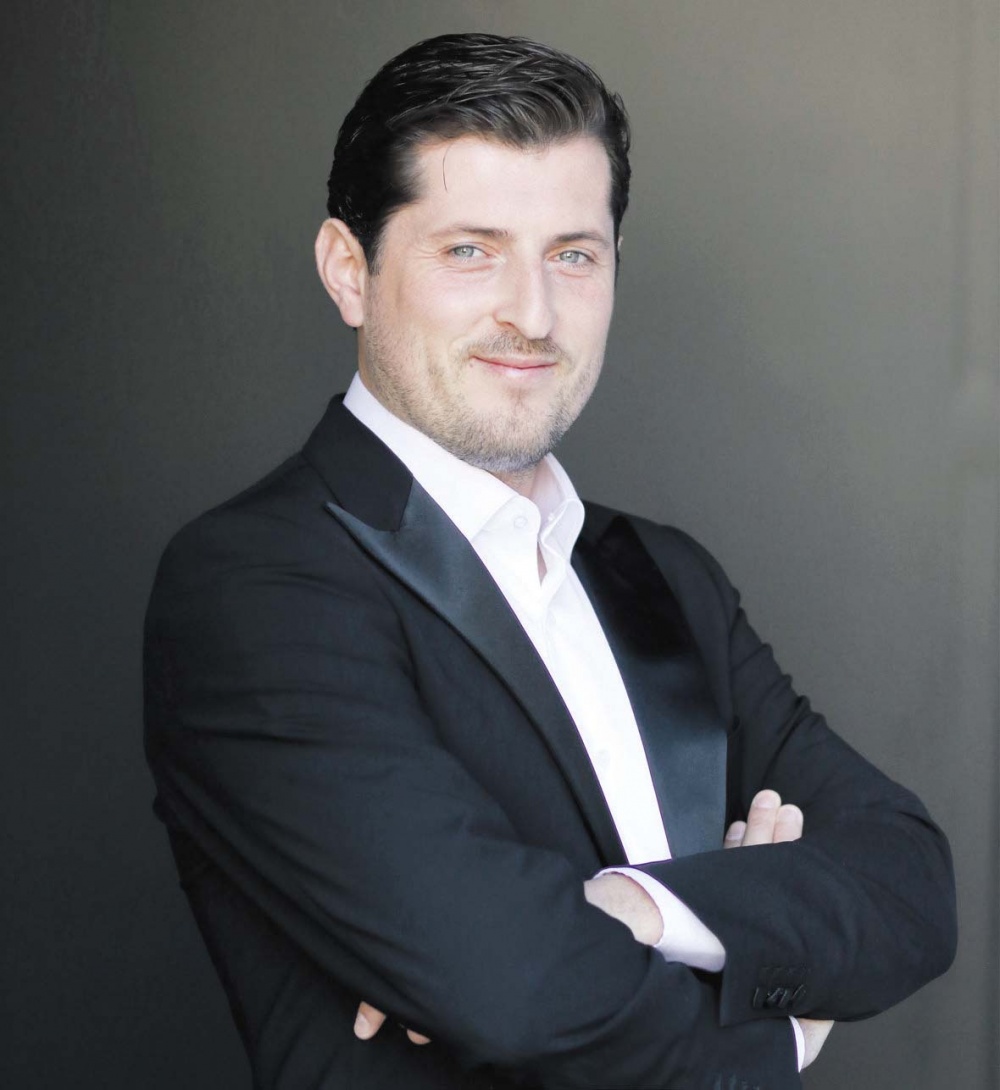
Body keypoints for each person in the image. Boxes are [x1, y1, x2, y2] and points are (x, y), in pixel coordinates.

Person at [143, 32, 956, 1090]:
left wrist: (634, 906)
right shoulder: (256, 586)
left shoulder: (663, 576)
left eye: (572, 254)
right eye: (469, 250)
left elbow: (911, 883)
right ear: (350, 271)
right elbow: (514, 988)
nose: (531, 314)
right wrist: (778, 1025)